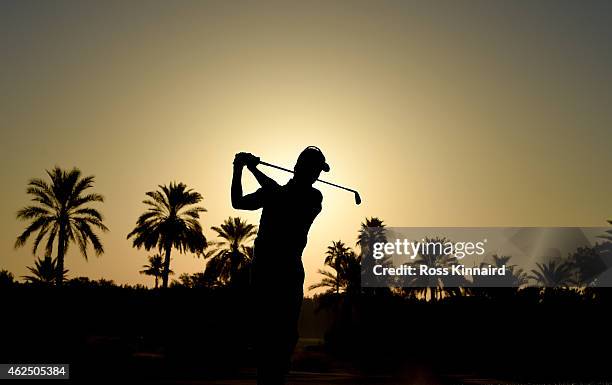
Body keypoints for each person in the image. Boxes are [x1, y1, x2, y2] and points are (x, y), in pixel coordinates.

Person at [231, 146, 329, 385]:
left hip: (289, 271)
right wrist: (237, 171)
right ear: (298, 168)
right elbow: (238, 203)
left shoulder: (313, 198)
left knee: (286, 334)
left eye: (318, 171)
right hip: (265, 271)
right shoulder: (272, 192)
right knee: (265, 332)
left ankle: (276, 376)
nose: (316, 175)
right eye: (313, 169)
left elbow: (282, 196)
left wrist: (251, 168)